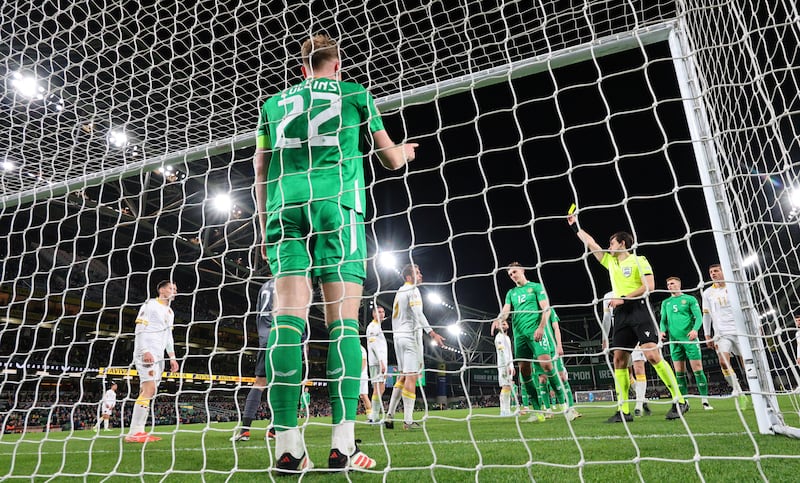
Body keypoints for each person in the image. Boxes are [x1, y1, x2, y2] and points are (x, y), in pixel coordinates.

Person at [252, 34, 417, 473]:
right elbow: (390, 160)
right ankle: (342, 446)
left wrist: (264, 223)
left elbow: (260, 170)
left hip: (284, 207)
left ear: (303, 67)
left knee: (287, 319)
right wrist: (406, 151)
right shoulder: (356, 93)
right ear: (337, 64)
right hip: (337, 206)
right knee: (343, 322)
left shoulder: (273, 104)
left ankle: (288, 448)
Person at [567, 216, 687, 422]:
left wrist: (623, 299)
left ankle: (680, 400)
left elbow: (649, 286)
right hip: (622, 315)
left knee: (651, 355)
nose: (609, 246)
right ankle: (623, 411)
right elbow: (591, 243)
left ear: (622, 243)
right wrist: (575, 225)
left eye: (612, 243)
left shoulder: (638, 260)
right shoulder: (610, 261)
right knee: (619, 360)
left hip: (639, 310)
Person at [493, 262, 569, 423]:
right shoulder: (511, 293)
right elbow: (506, 310)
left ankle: (565, 407)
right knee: (524, 372)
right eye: (510, 274)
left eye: (514, 272)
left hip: (536, 332)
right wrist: (499, 318)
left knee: (547, 365)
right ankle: (537, 411)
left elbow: (545, 308)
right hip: (519, 335)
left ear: (522, 270)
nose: (512, 275)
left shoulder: (535, 287)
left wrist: (541, 328)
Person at [388, 264, 445, 430]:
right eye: (417, 273)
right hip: (409, 337)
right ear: (408, 277)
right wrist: (432, 333)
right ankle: (408, 420)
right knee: (412, 377)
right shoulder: (413, 290)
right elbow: (418, 314)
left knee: (403, 377)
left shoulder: (399, 291)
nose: (421, 275)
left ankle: (390, 415)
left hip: (398, 337)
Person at [125, 280, 180, 443]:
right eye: (171, 288)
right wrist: (144, 350)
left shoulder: (170, 312)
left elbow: (168, 337)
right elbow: (140, 328)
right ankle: (134, 433)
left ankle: (139, 431)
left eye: (175, 289)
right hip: (147, 352)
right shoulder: (150, 305)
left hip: (159, 355)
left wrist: (172, 357)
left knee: (149, 391)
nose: (174, 291)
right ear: (161, 290)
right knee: (149, 389)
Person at [231, 279, 276, 442]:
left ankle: (245, 430)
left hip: (265, 338)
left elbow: (258, 314)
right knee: (284, 383)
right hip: (283, 335)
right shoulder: (288, 281)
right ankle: (274, 429)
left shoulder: (264, 286)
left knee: (259, 383)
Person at [660, 276, 713, 410]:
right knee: (679, 372)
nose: (669, 286)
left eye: (672, 283)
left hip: (689, 339)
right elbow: (663, 320)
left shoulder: (689, 299)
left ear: (679, 284)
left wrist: (695, 330)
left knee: (697, 369)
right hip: (674, 341)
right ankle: (684, 402)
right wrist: (661, 331)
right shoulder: (666, 302)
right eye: (667, 284)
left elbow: (699, 317)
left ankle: (705, 401)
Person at [702, 264, 748, 408]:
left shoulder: (734, 286)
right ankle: (738, 391)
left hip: (740, 331)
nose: (713, 274)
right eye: (711, 272)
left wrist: (757, 325)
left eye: (716, 271)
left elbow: (747, 305)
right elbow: (706, 314)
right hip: (721, 333)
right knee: (723, 362)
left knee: (747, 363)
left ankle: (756, 389)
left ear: (723, 271)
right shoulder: (708, 292)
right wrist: (707, 333)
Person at [547, 309, 582, 420]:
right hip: (539, 350)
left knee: (562, 377)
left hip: (552, 349)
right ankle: (548, 410)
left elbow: (556, 328)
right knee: (542, 379)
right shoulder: (530, 311)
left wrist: (559, 345)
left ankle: (571, 408)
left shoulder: (549, 310)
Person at [366, 306, 388, 423]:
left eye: (383, 312)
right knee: (378, 388)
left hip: (380, 362)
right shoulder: (373, 327)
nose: (381, 314)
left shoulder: (377, 326)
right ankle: (374, 417)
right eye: (378, 312)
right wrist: (381, 362)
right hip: (376, 363)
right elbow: (374, 345)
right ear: (373, 314)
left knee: (381, 388)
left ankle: (375, 416)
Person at [492, 320, 515, 416]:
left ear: (508, 326)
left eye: (505, 324)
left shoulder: (507, 338)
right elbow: (502, 353)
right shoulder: (499, 338)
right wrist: (507, 366)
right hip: (503, 365)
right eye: (501, 324)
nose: (503, 325)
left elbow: (509, 354)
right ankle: (504, 411)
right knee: (505, 386)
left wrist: (512, 366)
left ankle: (507, 410)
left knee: (508, 387)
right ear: (498, 327)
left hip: (509, 365)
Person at [359, 344, 372, 418]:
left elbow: (363, 362)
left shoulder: (360, 349)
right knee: (364, 396)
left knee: (362, 396)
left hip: (361, 376)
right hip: (363, 375)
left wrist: (359, 373)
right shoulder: (360, 348)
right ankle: (370, 417)